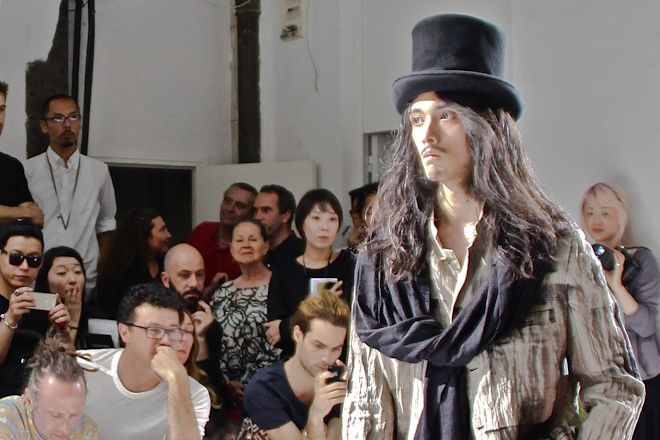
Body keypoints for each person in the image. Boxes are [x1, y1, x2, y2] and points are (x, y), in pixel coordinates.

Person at [343, 13, 644, 439]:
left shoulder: (553, 249)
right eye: (417, 119)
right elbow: (366, 403)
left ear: (485, 126)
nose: (427, 135)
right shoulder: (383, 261)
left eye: (447, 116)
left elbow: (614, 388)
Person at [77, 282, 211, 439]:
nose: (166, 341)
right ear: (124, 332)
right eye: (154, 330)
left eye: (173, 331)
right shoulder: (81, 369)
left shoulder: (193, 393)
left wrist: (177, 380)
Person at [581, 182, 659, 440]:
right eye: (590, 212)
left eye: (605, 212)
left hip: (642, 379)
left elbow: (647, 326)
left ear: (621, 213)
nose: (597, 220)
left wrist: (616, 284)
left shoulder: (640, 261)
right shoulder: (581, 263)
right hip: (602, 383)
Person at [24, 93, 116, 291]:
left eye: (73, 117)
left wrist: (104, 270)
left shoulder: (99, 171)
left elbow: (106, 223)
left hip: (86, 276)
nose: (67, 125)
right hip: (39, 276)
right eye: (58, 118)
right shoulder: (27, 170)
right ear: (44, 126)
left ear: (80, 123)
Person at [243, 291, 349, 440]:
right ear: (298, 334)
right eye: (318, 345)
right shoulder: (264, 388)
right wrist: (316, 416)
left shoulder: (336, 379)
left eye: (336, 348)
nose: (327, 358)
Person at [266, 189, 354, 360]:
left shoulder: (350, 264)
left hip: (342, 361)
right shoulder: (285, 271)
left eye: (332, 219)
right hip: (297, 363)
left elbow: (355, 324)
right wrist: (319, 308)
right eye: (316, 218)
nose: (324, 227)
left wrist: (292, 323)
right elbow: (276, 334)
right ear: (301, 223)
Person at [210, 219, 279, 412]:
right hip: (225, 393)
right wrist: (225, 382)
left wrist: (254, 384)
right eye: (239, 240)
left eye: (253, 239)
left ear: (266, 246)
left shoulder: (279, 287)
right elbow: (212, 340)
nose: (246, 245)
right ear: (231, 248)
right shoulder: (222, 292)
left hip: (268, 389)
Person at [0, 220, 71, 398]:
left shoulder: (46, 304)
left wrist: (63, 332)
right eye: (15, 258)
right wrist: (10, 319)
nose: (24, 267)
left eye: (34, 260)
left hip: (39, 397)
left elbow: (67, 365)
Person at [0, 336, 99, 440]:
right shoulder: (5, 420)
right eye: (55, 415)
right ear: (29, 400)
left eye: (74, 415)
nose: (65, 428)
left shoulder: (87, 431)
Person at [95, 207, 172, 319]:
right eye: (163, 230)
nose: (169, 235)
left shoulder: (167, 266)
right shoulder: (116, 277)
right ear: (144, 236)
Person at [190, 182, 257, 292]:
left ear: (252, 214)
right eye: (227, 201)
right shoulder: (202, 231)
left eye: (240, 206)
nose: (230, 208)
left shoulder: (252, 249)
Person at [0, 81, 43, 229]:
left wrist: (15, 214)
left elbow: (37, 217)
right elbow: (29, 213)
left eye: (1, 110)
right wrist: (22, 213)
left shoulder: (12, 166)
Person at [34, 246, 88, 348]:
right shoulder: (30, 313)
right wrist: (71, 323)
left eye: (77, 272)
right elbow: (57, 356)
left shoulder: (92, 312)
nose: (73, 280)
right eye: (62, 273)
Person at [253, 184, 303, 269]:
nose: (257, 217)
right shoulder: (255, 252)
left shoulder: (305, 254)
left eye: (266, 210)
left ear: (285, 216)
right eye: (255, 211)